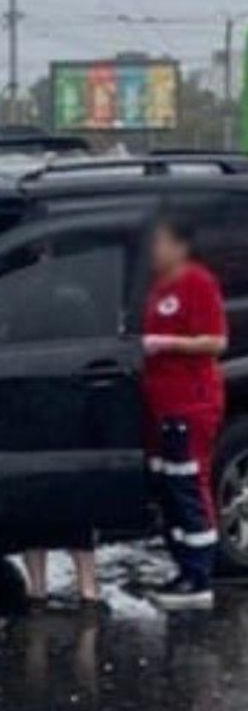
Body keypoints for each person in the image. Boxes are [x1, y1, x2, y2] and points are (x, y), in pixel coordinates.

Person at [142, 216, 228, 610]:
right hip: (160, 404)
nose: (154, 249)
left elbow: (216, 341)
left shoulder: (198, 282)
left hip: (191, 401)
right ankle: (182, 567)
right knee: (170, 487)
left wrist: (167, 343)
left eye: (160, 242)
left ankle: (199, 574)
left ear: (180, 245)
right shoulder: (158, 286)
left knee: (190, 483)